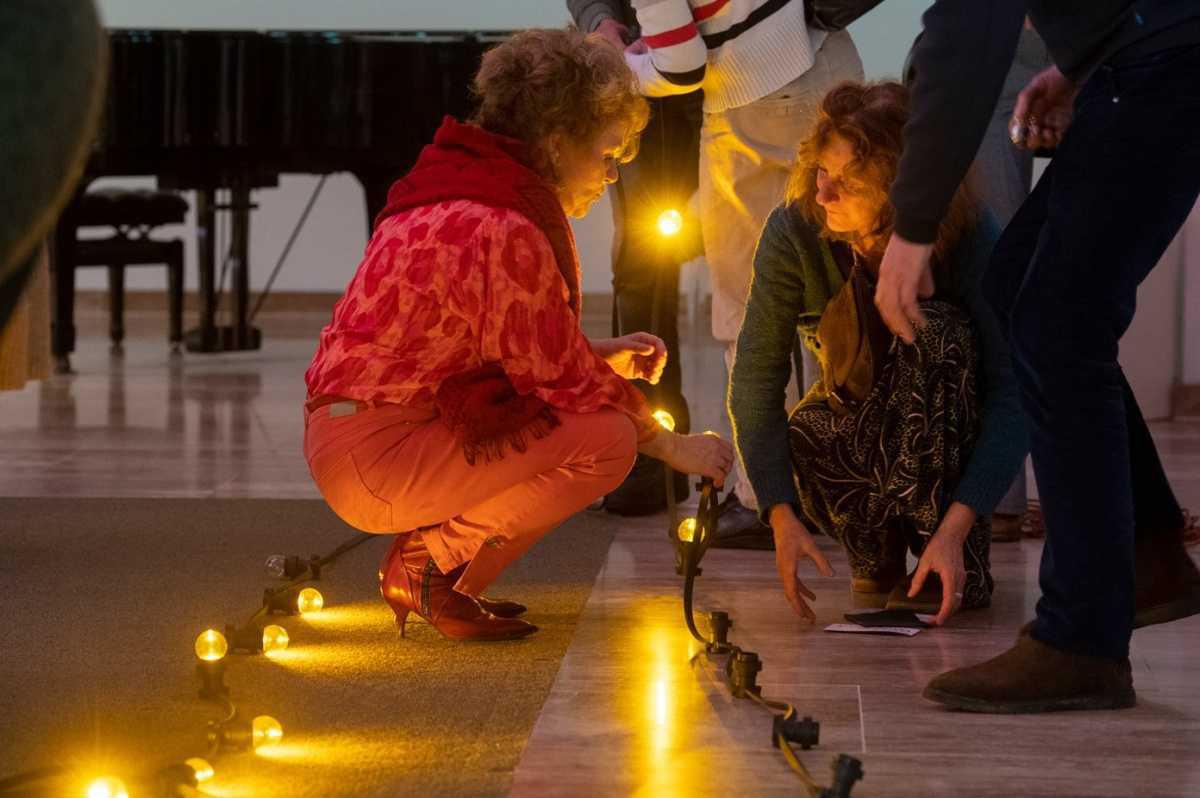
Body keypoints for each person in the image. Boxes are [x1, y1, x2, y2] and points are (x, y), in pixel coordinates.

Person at [302, 29, 734, 642]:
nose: (611, 175)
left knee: (591, 422)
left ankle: (439, 573)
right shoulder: (503, 223)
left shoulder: (457, 185)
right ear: (558, 144)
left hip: (355, 438)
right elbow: (553, 378)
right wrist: (673, 447)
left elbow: (500, 346)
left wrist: (599, 358)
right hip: (379, 456)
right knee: (609, 441)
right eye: (606, 155)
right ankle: (428, 563)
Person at [873, 2, 1200, 712]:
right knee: (1019, 288)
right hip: (1146, 56)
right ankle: (1146, 556)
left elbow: (965, 33)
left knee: (1059, 324)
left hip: (1169, 61)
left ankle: (1081, 639)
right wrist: (1080, 62)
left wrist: (913, 223)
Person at [730, 81, 1026, 625]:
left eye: (848, 182)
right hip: (862, 414)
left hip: (949, 434)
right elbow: (755, 376)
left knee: (933, 329)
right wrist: (779, 511)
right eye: (822, 172)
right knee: (811, 424)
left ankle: (948, 553)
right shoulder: (794, 230)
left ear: (901, 188)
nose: (823, 195)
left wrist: (960, 524)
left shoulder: (968, 233)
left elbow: (1017, 387)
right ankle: (875, 553)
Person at [623, 0, 865, 544]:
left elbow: (681, 65)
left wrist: (618, 65)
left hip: (752, 95)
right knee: (850, 296)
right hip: (833, 67)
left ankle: (764, 498)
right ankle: (862, 485)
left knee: (746, 304)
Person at [905, 21, 1051, 543]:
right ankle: (1002, 501)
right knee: (1008, 287)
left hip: (1032, 41)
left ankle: (1129, 516)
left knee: (1022, 290)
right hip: (1009, 43)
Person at [567, 0, 704, 516]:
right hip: (639, 76)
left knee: (654, 266)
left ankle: (664, 456)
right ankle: (648, 451)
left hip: (727, 79)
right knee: (642, 267)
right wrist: (600, 22)